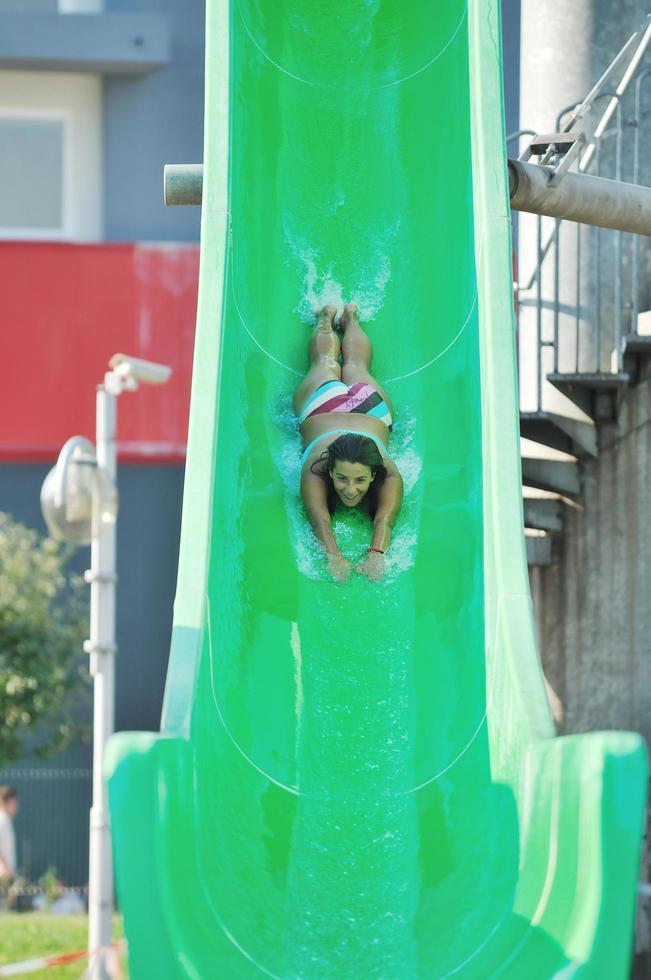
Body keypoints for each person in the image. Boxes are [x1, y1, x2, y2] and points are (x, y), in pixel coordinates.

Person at [294, 303, 404, 582]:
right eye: (342, 478)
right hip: (349, 407)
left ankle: (337, 318)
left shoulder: (389, 473)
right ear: (329, 470)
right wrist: (334, 557)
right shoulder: (314, 469)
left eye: (360, 480)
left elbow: (385, 520)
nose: (351, 490)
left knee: (325, 364)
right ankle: (335, 317)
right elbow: (319, 520)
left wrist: (377, 553)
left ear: (373, 475)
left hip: (344, 407)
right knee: (355, 366)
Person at [0, 785, 18, 910]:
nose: (16, 806)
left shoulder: (6, 820)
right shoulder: (2, 820)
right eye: (15, 802)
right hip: (2, 874)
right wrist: (5, 868)